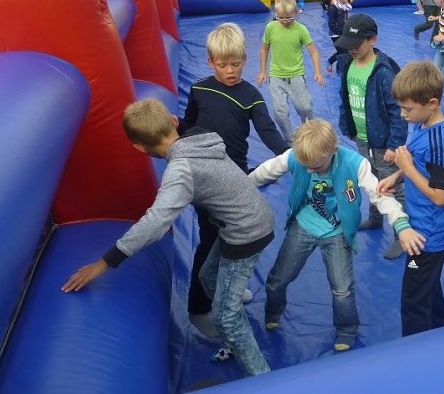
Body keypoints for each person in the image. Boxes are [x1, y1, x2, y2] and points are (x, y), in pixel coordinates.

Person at [62, 99, 274, 376]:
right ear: (174, 121)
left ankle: (264, 379)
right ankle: (237, 336)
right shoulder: (201, 137)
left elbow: (155, 223)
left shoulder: (181, 170)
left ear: (138, 147)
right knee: (207, 278)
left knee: (225, 316)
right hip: (249, 217)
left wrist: (103, 263)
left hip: (246, 233)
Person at [249, 119, 425, 352]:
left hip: (338, 231)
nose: (310, 170)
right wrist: (244, 185)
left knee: (342, 289)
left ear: (332, 150)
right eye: (306, 166)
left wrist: (401, 225)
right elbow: (265, 171)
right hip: (303, 225)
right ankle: (273, 311)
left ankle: (346, 328)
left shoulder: (355, 164)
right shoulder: (297, 156)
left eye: (315, 166)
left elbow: (380, 196)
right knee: (276, 281)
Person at [178, 23, 289, 338]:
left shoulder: (250, 95)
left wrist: (292, 155)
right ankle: (199, 307)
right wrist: (176, 130)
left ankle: (225, 286)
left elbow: (268, 131)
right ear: (211, 62)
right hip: (204, 177)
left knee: (237, 237)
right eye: (223, 65)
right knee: (210, 240)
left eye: (236, 64)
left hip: (236, 178)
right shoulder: (200, 90)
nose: (230, 71)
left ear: (245, 58)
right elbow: (189, 125)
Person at [377, 60, 444, 336]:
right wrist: (397, 175)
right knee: (428, 284)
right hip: (423, 227)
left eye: (407, 109)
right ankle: (441, 325)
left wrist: (408, 169)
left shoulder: (440, 143)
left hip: (427, 235)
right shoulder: (422, 124)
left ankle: (415, 354)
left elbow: (440, 197)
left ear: (432, 103)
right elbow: (415, 161)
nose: (403, 115)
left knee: (413, 298)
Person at [336, 14, 408, 260]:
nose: (352, 49)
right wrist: (347, 123)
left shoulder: (384, 71)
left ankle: (402, 234)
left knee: (393, 186)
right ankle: (376, 219)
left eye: (358, 43)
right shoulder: (347, 64)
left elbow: (398, 111)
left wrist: (394, 144)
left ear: (373, 40)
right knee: (370, 179)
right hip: (362, 137)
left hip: (384, 142)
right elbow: (344, 96)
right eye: (349, 43)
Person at [257, 0, 324, 145]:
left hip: (296, 75)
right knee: (280, 112)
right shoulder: (270, 28)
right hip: (276, 76)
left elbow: (313, 51)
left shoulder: (301, 30)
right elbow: (264, 50)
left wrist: (318, 71)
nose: (285, 21)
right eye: (281, 18)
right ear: (276, 14)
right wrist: (262, 71)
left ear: (295, 13)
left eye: (288, 18)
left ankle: (310, 133)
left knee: (305, 107)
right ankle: (289, 140)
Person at [326, 0, 351, 74]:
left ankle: (339, 69)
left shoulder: (344, 5)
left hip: (343, 32)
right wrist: (342, 32)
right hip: (336, 34)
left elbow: (345, 19)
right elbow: (332, 25)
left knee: (345, 52)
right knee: (342, 53)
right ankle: (330, 61)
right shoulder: (333, 8)